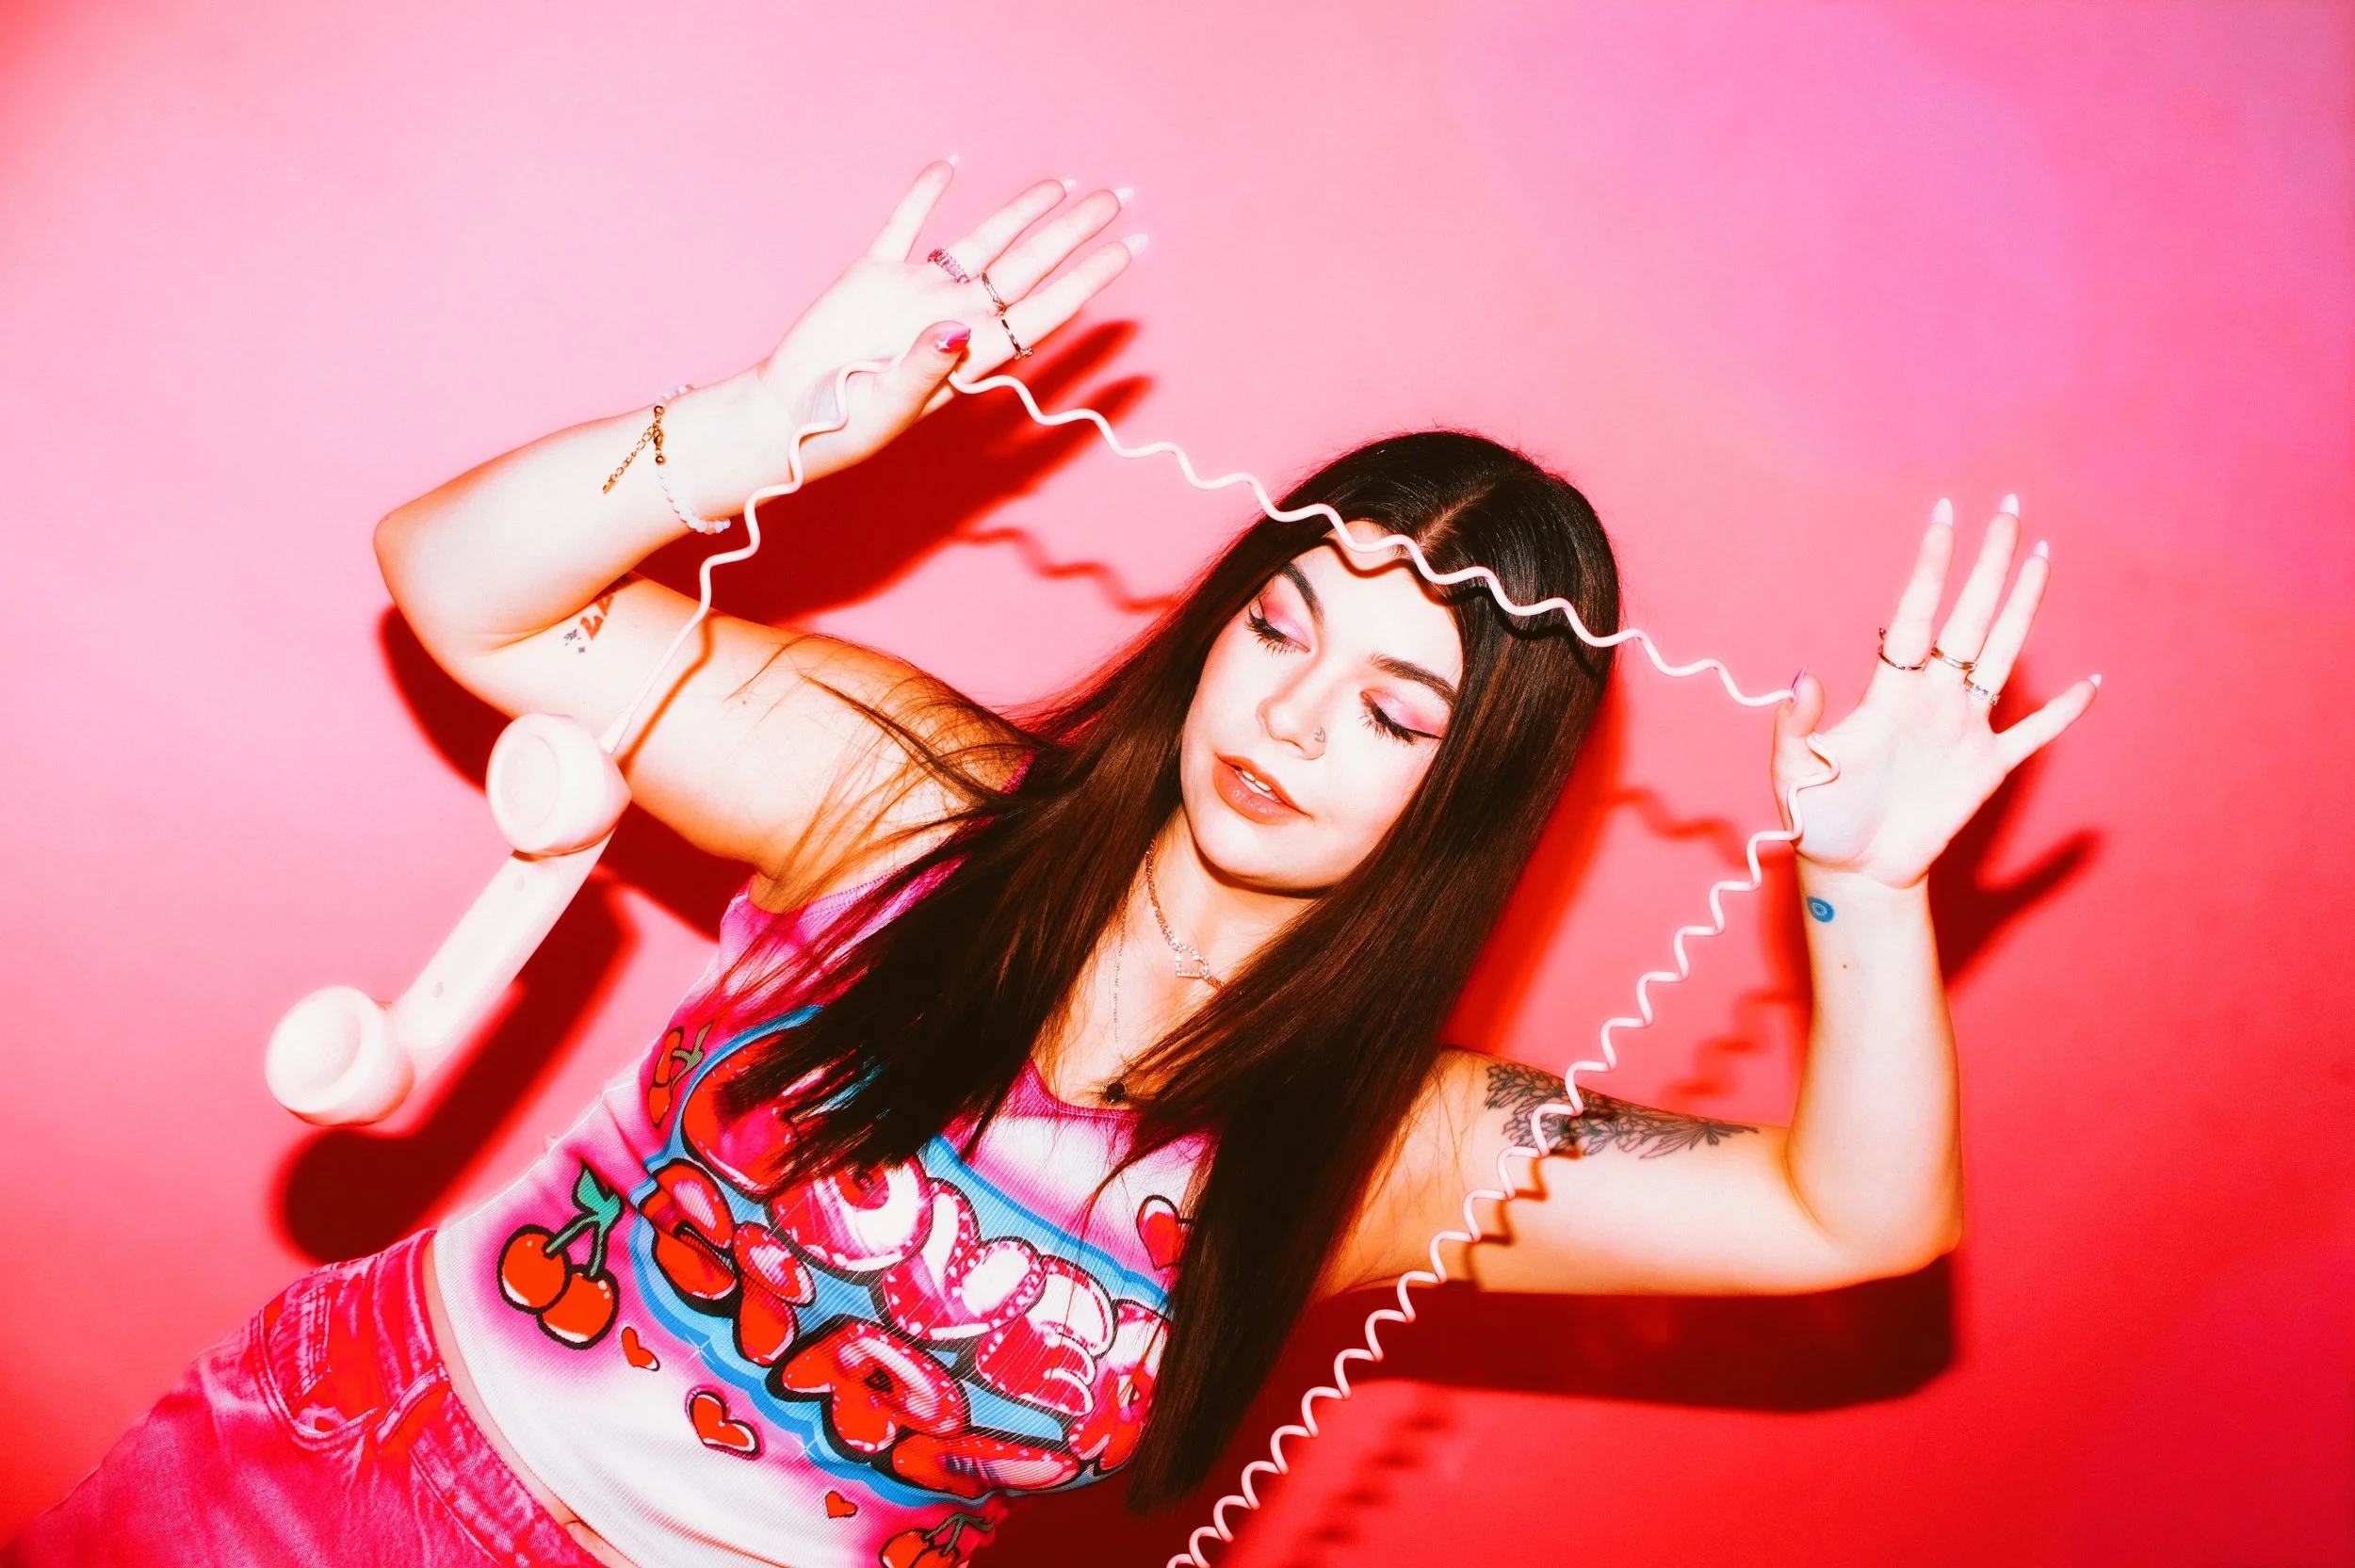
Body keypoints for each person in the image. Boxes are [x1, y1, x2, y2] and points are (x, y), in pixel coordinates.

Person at [5, 163, 2096, 1568]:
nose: (1292, 719)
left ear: (1462, 802)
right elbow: (458, 586)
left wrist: (1865, 885)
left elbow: (1854, 1217)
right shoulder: (912, 801)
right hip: (339, 1480)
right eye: (1282, 628)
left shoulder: (1384, 1140)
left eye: (1393, 713)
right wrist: (763, 429)